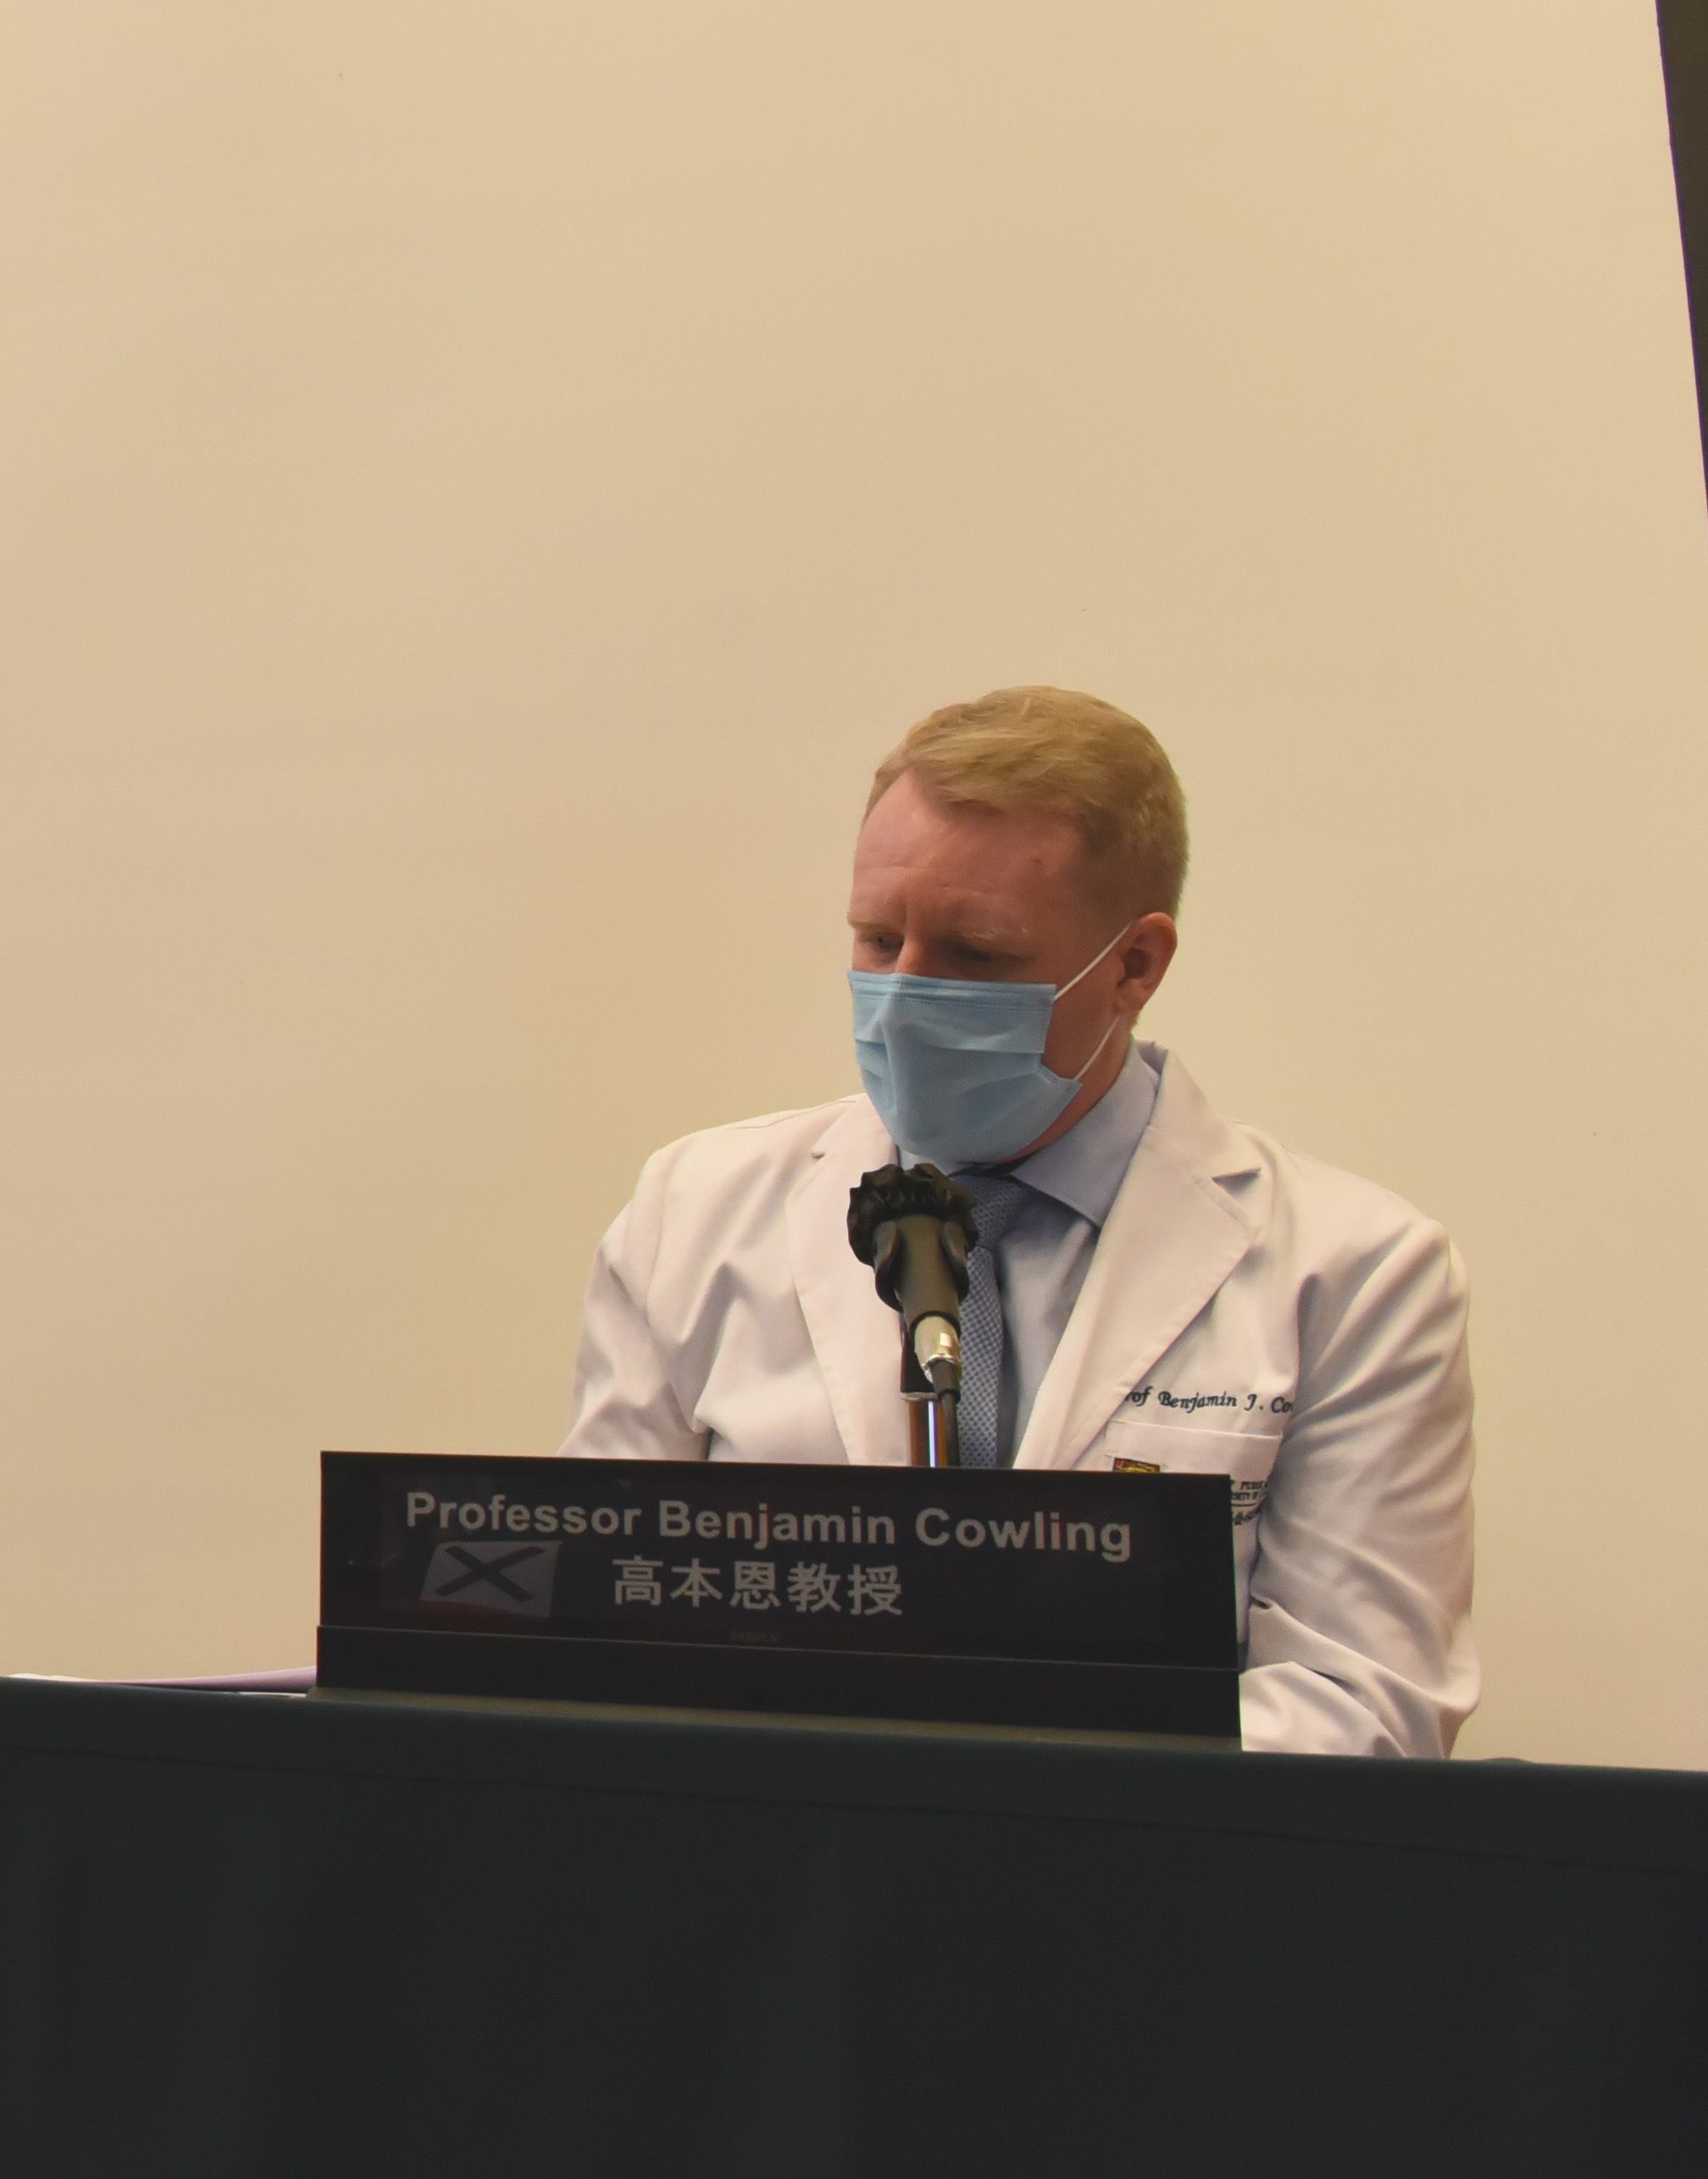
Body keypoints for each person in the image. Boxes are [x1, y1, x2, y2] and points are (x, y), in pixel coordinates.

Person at [563, 688, 1475, 1755]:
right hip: (787, 1879)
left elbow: (1359, 1705)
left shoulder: (1356, 1272)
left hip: (1147, 1887)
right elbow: (598, 1631)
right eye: (877, 936)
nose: (902, 998)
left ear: (1135, 963)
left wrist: (995, 1777)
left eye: (975, 954)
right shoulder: (695, 1212)